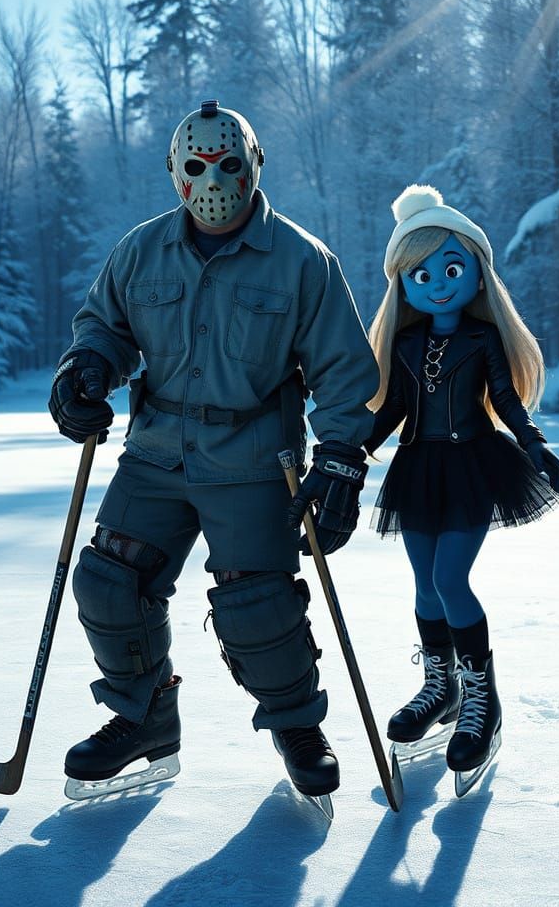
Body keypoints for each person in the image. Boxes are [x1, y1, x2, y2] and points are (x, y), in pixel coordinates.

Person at [48, 101, 378, 801]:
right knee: (110, 583)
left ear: (255, 165)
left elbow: (345, 371)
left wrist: (342, 458)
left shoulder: (301, 261)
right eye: (196, 167)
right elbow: (104, 327)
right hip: (156, 451)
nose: (214, 181)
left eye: (229, 165)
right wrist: (85, 372)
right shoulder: (140, 251)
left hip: (254, 458)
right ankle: (143, 718)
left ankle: (295, 725)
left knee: (257, 605)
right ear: (175, 173)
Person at [364, 184, 559, 780]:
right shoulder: (404, 344)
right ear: (401, 285)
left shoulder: (482, 340)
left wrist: (534, 446)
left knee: (451, 579)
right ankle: (443, 687)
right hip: (418, 467)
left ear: (478, 273)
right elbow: (393, 409)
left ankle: (483, 701)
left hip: (475, 464)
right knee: (426, 586)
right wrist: (349, 458)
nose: (437, 283)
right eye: (419, 275)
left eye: (451, 268)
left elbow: (504, 399)